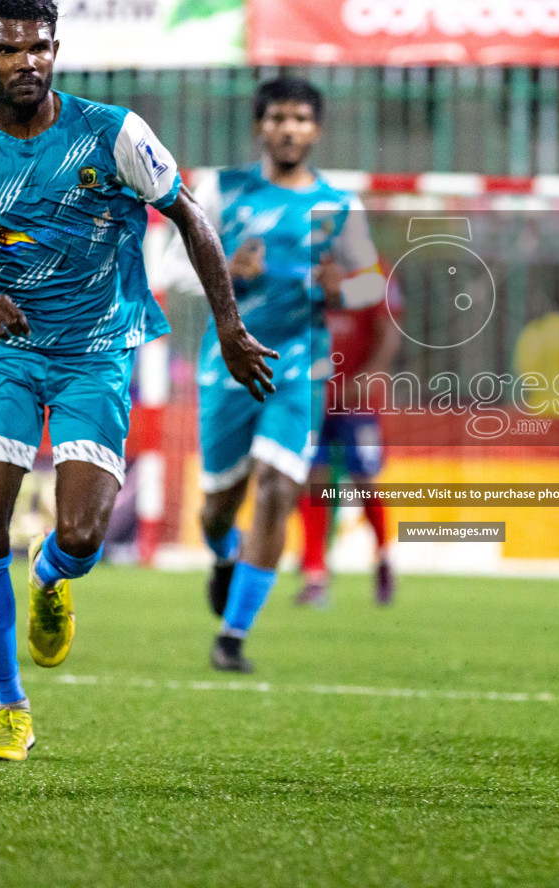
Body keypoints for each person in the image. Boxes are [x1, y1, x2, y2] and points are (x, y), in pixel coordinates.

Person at [0, 0, 275, 761]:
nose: (26, 60)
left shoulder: (113, 133)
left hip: (95, 354)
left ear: (56, 48)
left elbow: (190, 216)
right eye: (7, 47)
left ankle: (52, 577)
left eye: (39, 44)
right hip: (3, 354)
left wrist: (229, 325)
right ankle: (10, 707)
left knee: (82, 535)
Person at [191, 77, 384, 673]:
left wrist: (342, 287)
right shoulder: (220, 190)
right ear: (261, 127)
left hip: (298, 370)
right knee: (218, 506)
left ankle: (232, 637)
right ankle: (224, 557)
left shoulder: (339, 204)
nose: (290, 128)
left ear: (316, 130)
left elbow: (372, 283)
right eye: (278, 117)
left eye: (301, 118)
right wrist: (223, 267)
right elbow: (173, 266)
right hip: (227, 367)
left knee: (278, 488)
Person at [293, 274, 403, 608]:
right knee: (314, 483)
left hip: (358, 403)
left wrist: (369, 377)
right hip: (316, 401)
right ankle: (315, 575)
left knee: (366, 482)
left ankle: (384, 558)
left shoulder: (372, 271)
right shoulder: (306, 267)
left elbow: (388, 333)